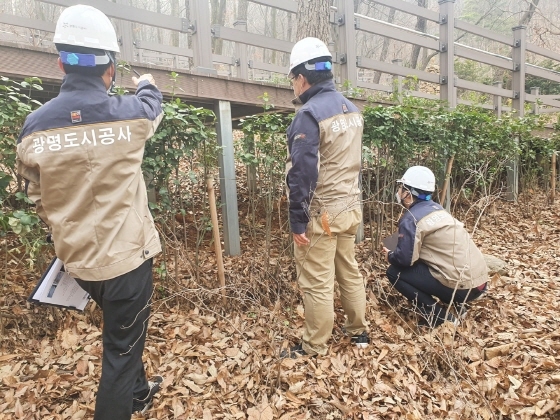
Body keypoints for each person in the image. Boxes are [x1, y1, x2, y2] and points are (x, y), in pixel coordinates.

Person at [16, 5, 164, 418]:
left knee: (124, 333)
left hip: (79, 262)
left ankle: (139, 392)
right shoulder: (129, 114)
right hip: (127, 263)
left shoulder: (35, 126)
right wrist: (148, 83)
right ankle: (123, 399)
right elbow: (153, 107)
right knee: (120, 348)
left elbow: (36, 197)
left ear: (61, 62)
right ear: (111, 69)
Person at [281, 37, 369, 358]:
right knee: (348, 269)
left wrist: (297, 220)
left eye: (292, 79)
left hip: (322, 214)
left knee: (316, 281)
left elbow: (302, 174)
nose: (293, 85)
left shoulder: (309, 115)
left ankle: (314, 346)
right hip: (349, 208)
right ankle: (359, 331)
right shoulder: (352, 110)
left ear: (302, 78)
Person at [382, 166, 488, 328]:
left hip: (462, 287)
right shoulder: (438, 210)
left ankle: (442, 319)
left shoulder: (411, 219)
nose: (398, 191)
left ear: (408, 194)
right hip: (479, 283)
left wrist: (390, 255)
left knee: (394, 273)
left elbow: (404, 260)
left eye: (401, 188)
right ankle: (460, 307)